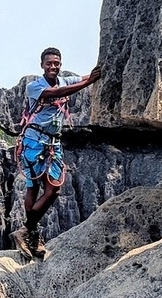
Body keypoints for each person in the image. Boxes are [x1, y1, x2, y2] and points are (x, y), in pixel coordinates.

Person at [11, 47, 102, 260]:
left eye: (57, 63)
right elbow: (57, 94)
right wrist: (88, 83)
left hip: (53, 143)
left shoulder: (65, 80)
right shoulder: (34, 87)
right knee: (33, 186)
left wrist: (99, 71)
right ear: (42, 65)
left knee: (53, 189)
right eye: (49, 63)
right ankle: (32, 234)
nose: (53, 66)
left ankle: (26, 230)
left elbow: (86, 76)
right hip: (33, 141)